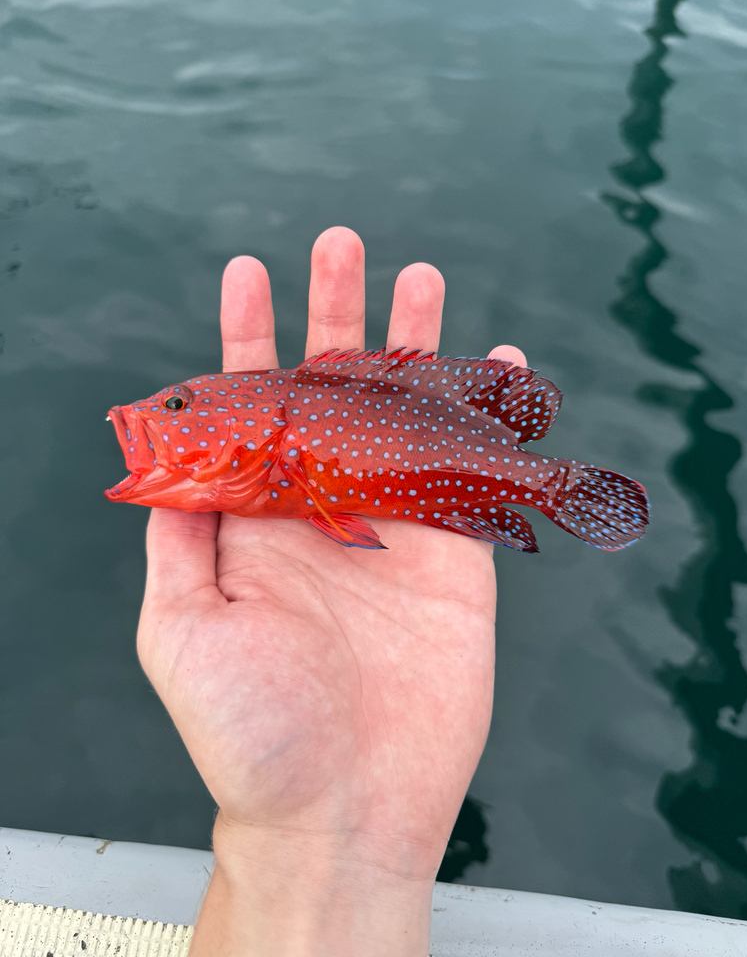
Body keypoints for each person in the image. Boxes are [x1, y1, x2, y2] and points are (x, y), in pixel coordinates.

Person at [139, 226, 527, 956]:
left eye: (180, 408)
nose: (154, 417)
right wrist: (300, 833)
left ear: (243, 421)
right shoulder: (257, 456)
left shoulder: (273, 448)